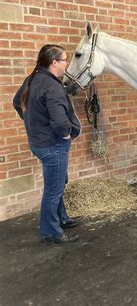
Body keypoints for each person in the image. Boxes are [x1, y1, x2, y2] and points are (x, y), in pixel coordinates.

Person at [13, 44, 82, 243]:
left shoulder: (33, 78)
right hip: (53, 145)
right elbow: (60, 122)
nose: (67, 63)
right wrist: (66, 134)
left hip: (39, 142)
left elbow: (17, 102)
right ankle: (51, 231)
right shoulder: (52, 86)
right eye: (65, 60)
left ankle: (62, 218)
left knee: (57, 184)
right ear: (54, 63)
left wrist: (34, 123)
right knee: (53, 190)